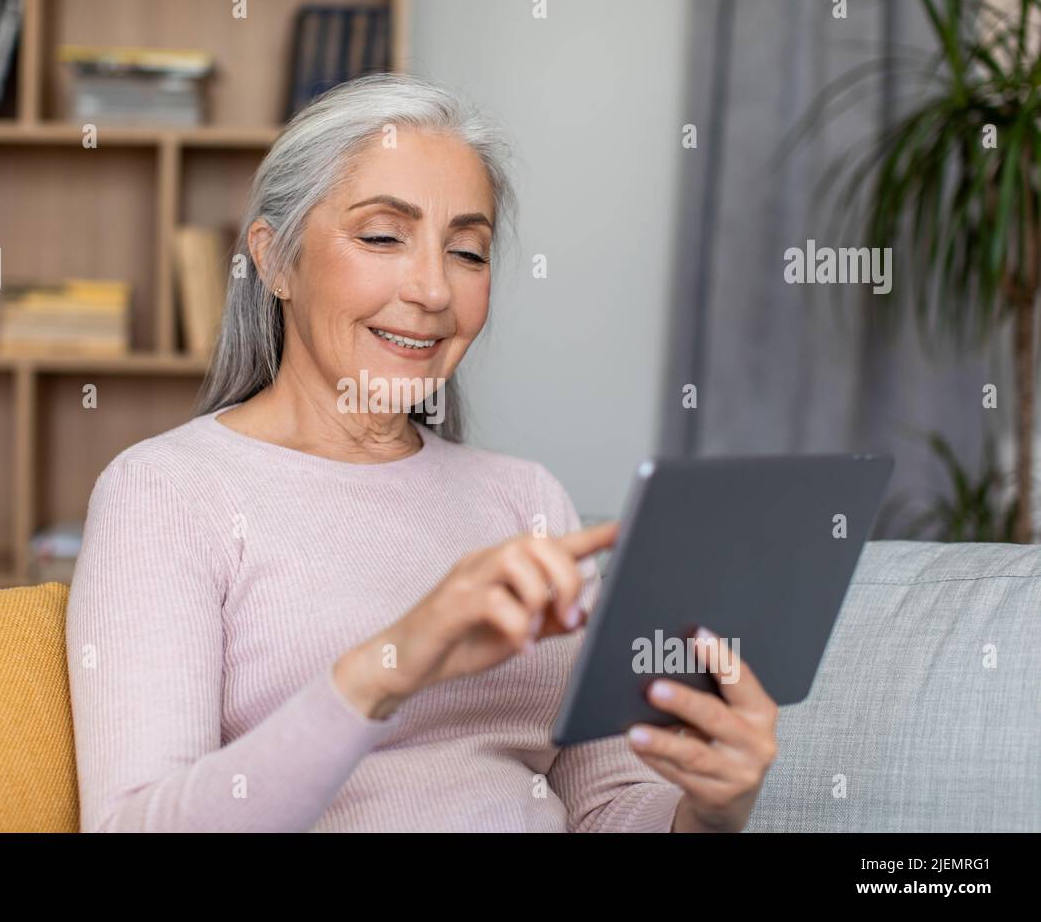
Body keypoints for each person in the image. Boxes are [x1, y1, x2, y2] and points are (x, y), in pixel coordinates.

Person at [66, 72, 777, 832]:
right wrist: (398, 657)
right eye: (382, 236)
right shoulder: (166, 492)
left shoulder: (524, 499)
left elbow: (604, 805)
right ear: (275, 260)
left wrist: (707, 809)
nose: (435, 289)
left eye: (467, 251)